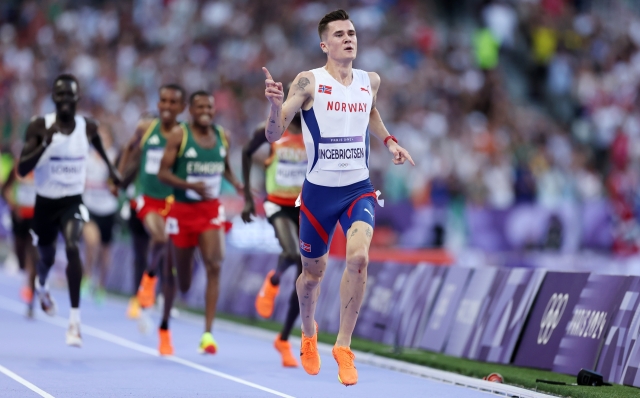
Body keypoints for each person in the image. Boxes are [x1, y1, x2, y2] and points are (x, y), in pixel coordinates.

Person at [262, 9, 414, 385]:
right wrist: (273, 103)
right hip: (318, 195)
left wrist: (390, 140)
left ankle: (344, 346)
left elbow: (371, 112)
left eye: (352, 32)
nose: (349, 38)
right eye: (340, 34)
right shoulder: (307, 81)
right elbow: (273, 133)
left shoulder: (370, 80)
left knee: (359, 258)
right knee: (312, 275)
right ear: (324, 44)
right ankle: (308, 333)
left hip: (358, 189)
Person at [17, 73, 121, 347]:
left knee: (74, 245)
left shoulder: (88, 127)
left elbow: (98, 144)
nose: (65, 100)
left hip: (73, 200)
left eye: (69, 95)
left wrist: (113, 172)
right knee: (47, 257)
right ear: (54, 98)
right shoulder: (40, 126)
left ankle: (74, 322)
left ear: (77, 98)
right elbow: (23, 168)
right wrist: (44, 143)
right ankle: (42, 283)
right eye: (59, 94)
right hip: (45, 202)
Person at [156, 90, 242, 356]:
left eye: (209, 106)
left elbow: (224, 166)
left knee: (215, 264)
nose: (206, 110)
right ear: (190, 111)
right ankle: (167, 316)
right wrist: (189, 184)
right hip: (182, 211)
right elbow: (162, 173)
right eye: (200, 106)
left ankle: (207, 334)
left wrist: (238, 184)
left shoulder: (222, 136)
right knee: (183, 283)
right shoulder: (179, 136)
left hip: (209, 211)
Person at [242, 111, 306, 368]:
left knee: (306, 279)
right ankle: (274, 280)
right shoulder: (270, 129)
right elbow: (246, 152)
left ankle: (283, 339)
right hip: (277, 203)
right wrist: (247, 196)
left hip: (305, 206)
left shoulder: (316, 130)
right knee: (292, 253)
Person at [118, 84, 185, 326]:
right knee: (141, 252)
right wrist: (119, 177)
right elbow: (127, 152)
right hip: (141, 203)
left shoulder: (178, 135)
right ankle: (139, 297)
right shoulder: (143, 138)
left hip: (169, 202)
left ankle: (158, 296)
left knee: (167, 252)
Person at [81, 124, 119, 304]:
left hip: (108, 209)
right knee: (91, 242)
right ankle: (87, 276)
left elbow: (120, 181)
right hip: (90, 207)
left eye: (105, 138)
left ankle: (102, 285)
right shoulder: (87, 158)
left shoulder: (115, 157)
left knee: (105, 252)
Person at [1, 165, 38, 317]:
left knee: (34, 257)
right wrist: (13, 204)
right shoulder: (17, 167)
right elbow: (5, 188)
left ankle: (31, 298)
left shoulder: (42, 167)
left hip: (36, 218)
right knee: (21, 258)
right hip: (19, 218)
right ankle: (26, 273)